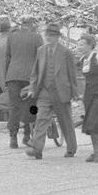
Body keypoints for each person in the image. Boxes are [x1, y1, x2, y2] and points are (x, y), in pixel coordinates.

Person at [24, 22, 78, 159]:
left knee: (65, 121)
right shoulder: (41, 51)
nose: (49, 37)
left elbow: (72, 74)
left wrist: (74, 92)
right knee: (41, 119)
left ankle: (71, 148)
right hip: (44, 91)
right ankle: (37, 149)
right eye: (47, 35)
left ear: (58, 37)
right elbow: (35, 71)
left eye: (52, 35)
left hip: (61, 92)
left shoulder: (66, 52)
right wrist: (32, 87)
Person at [3, 17, 42, 150]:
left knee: (14, 107)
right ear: (31, 24)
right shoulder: (37, 37)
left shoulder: (11, 37)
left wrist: (6, 76)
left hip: (13, 76)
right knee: (31, 106)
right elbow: (41, 58)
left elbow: (7, 57)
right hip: (29, 76)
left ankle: (13, 137)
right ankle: (27, 134)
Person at [78, 34, 98, 162]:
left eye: (82, 44)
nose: (79, 47)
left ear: (90, 45)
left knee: (93, 123)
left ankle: (97, 153)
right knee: (90, 124)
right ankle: (96, 151)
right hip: (89, 95)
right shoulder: (83, 59)